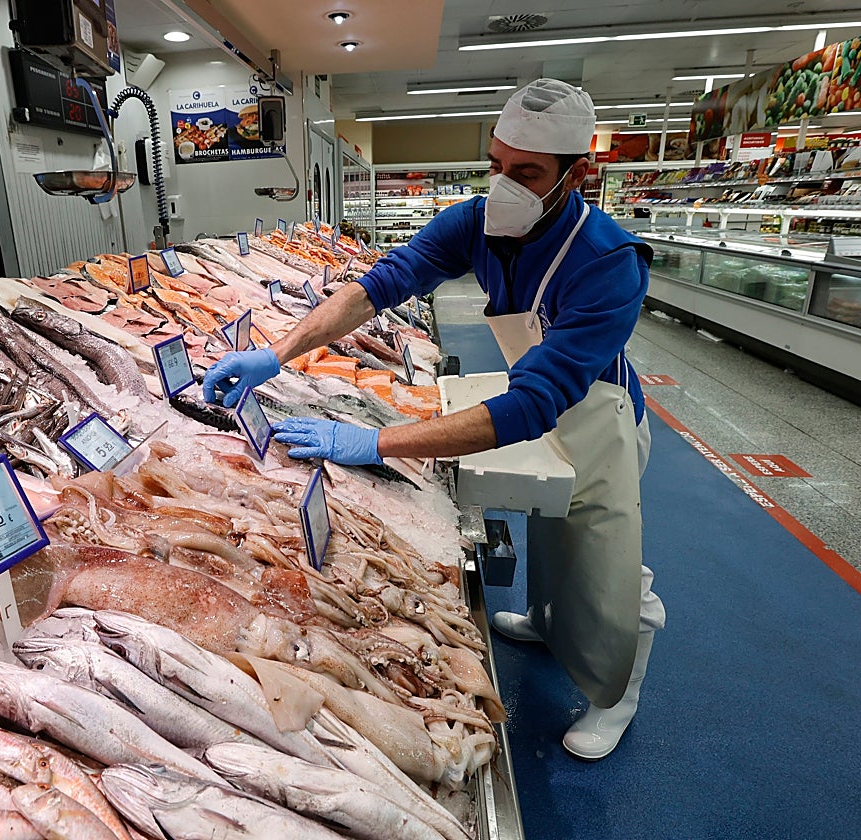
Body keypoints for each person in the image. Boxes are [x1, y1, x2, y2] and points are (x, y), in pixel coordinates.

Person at [202, 79, 665, 760]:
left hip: (600, 418)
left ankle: (611, 694)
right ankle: (543, 618)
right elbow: (378, 287)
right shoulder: (475, 220)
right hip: (529, 396)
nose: (504, 184)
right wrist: (279, 353)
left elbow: (536, 403)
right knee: (550, 535)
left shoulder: (611, 263)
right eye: (497, 165)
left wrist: (376, 442)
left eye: (528, 173)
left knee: (606, 564)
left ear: (579, 172)